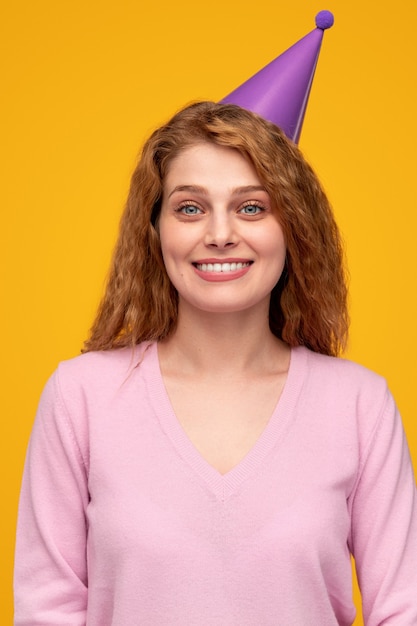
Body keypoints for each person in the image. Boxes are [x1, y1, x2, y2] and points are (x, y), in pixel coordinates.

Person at [14, 99, 417, 625]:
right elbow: (48, 610)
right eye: (190, 208)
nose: (220, 233)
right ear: (154, 229)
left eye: (252, 207)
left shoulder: (360, 404)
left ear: (292, 228)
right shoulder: (79, 397)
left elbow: (402, 609)